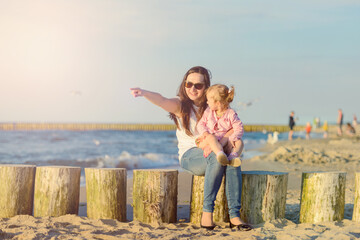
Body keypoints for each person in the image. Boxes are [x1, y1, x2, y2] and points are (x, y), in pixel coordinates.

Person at [130, 66, 252, 231]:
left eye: (198, 85)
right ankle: (207, 214)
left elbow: (233, 127)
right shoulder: (181, 105)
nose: (192, 88)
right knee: (216, 159)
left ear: (206, 88)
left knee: (231, 160)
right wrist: (144, 92)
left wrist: (222, 142)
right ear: (184, 84)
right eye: (189, 84)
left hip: (215, 148)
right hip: (190, 155)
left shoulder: (213, 106)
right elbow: (162, 100)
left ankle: (234, 216)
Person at [196, 84, 243, 167]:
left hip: (224, 142)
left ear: (217, 103)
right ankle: (220, 154)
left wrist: (233, 138)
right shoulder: (208, 112)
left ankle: (233, 157)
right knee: (211, 138)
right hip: (207, 140)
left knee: (239, 142)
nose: (207, 102)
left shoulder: (231, 114)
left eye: (208, 101)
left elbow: (239, 128)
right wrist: (205, 133)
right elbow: (200, 124)